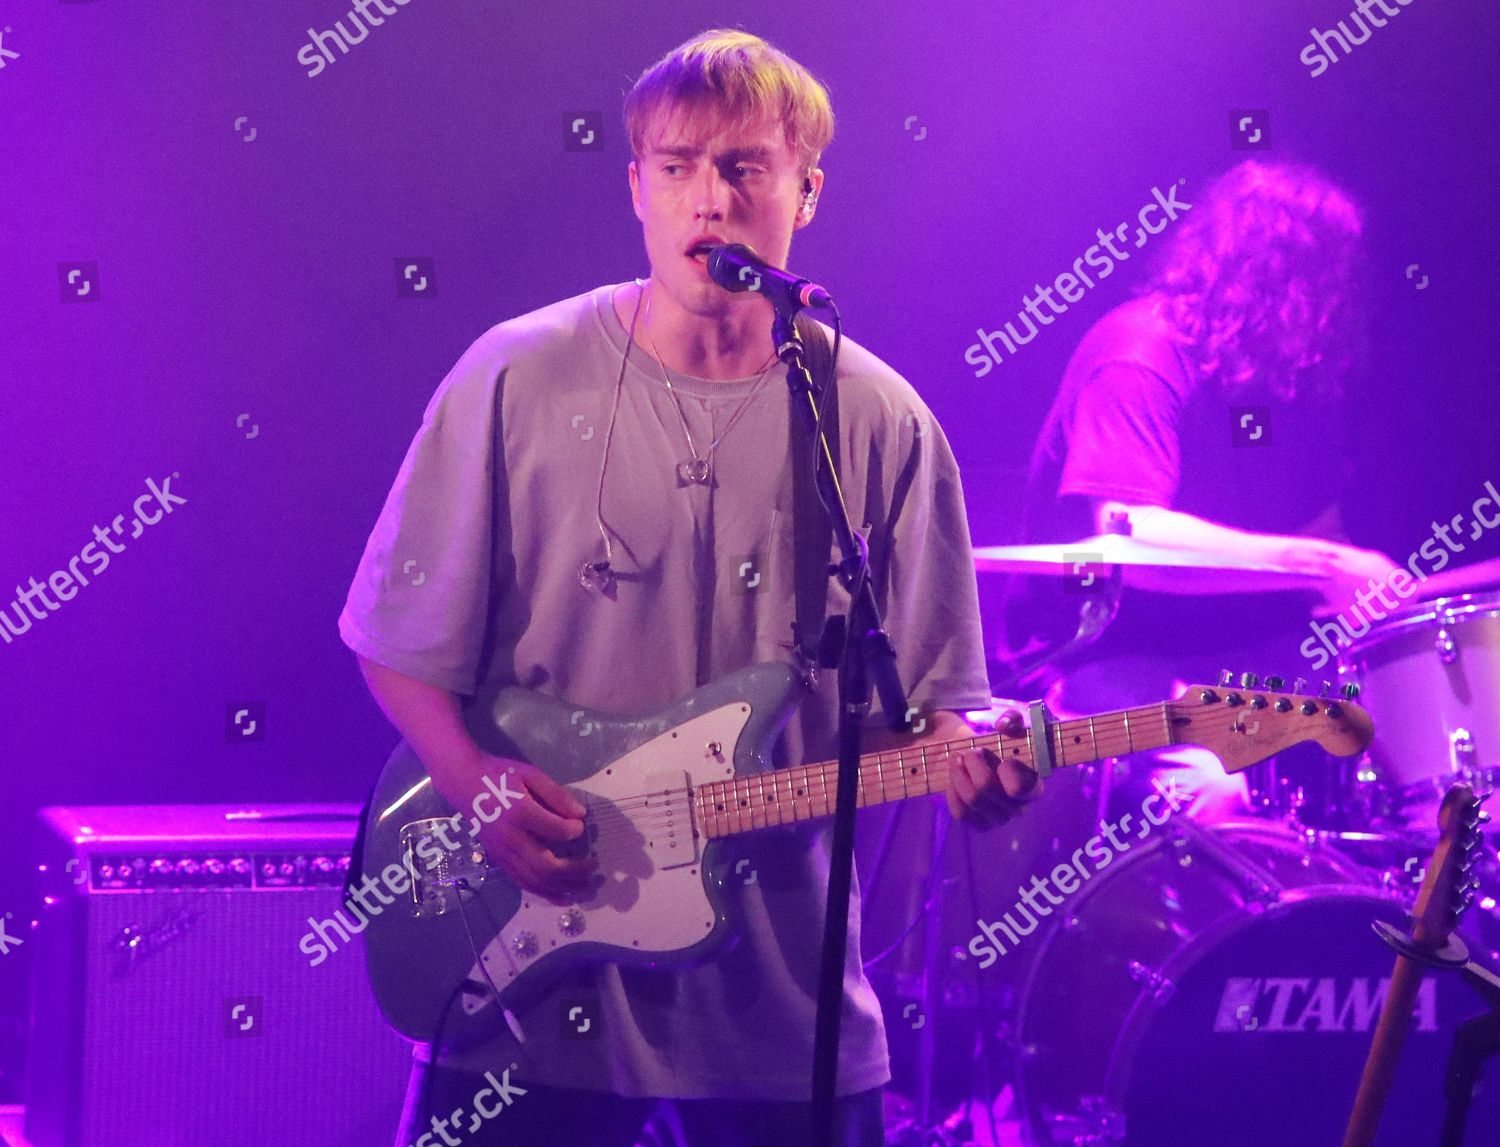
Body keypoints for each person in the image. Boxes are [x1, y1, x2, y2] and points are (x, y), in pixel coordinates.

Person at [338, 29, 1040, 1147]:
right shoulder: (514, 375)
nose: (708, 200)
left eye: (743, 167)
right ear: (637, 189)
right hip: (536, 993)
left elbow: (942, 701)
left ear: (806, 191)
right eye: (677, 168)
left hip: (785, 1013)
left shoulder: (877, 418)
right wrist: (476, 786)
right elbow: (397, 638)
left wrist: (979, 761)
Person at [996, 159, 1399, 822]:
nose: (1342, 298)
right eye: (1328, 273)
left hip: (1234, 649)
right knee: (1213, 791)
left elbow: (1321, 534)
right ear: (1274, 270)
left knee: (1407, 730)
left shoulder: (1289, 380)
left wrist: (1378, 618)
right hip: (1099, 653)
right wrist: (1327, 567)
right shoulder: (1140, 353)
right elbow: (1134, 532)